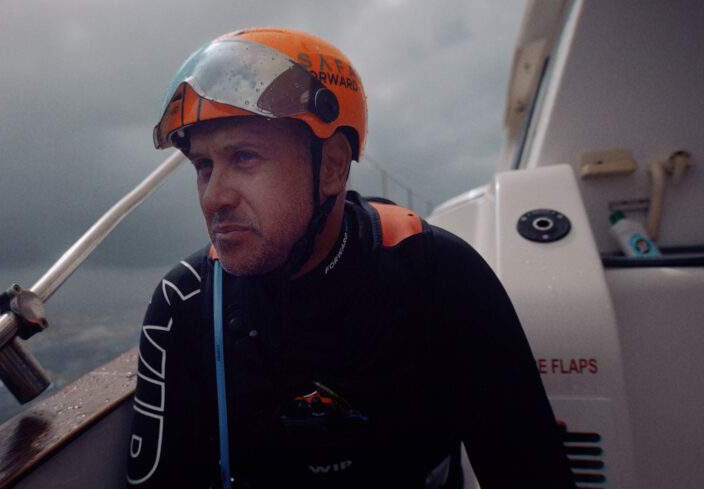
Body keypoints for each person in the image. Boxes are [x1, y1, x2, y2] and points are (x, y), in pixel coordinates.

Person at [126, 27, 575, 489]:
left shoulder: (437, 275)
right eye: (204, 166)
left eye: (243, 157)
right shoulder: (184, 303)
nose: (214, 196)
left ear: (334, 165)